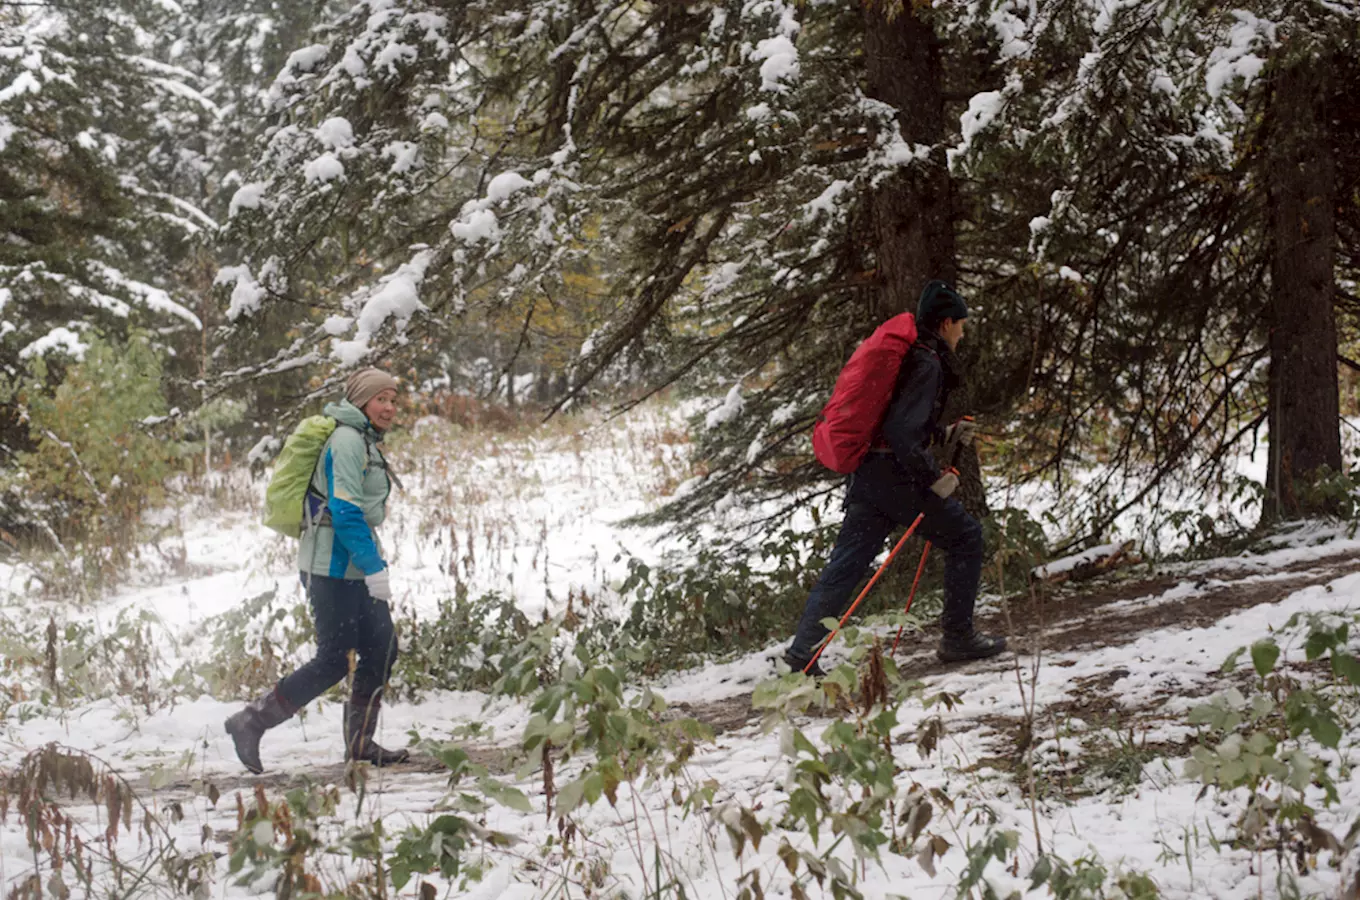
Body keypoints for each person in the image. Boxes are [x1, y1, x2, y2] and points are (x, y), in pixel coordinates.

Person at [784, 281, 1007, 676]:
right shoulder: (927, 362)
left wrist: (944, 434)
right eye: (960, 324)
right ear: (944, 323)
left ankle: (802, 656)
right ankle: (957, 637)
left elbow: (896, 423)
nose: (963, 332)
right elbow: (904, 433)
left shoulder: (911, 355)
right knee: (966, 537)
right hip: (897, 479)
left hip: (869, 474)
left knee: (847, 565)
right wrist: (933, 478)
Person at [225, 367, 410, 772]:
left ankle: (361, 744)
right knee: (332, 659)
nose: (390, 408)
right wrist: (374, 567)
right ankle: (250, 722)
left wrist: (370, 567)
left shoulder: (363, 439)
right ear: (362, 399)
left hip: (353, 567)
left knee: (381, 648)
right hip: (331, 567)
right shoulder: (346, 441)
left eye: (394, 400)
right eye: (382, 399)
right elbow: (344, 512)